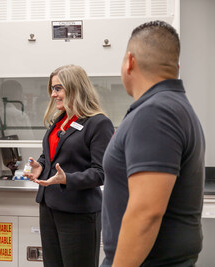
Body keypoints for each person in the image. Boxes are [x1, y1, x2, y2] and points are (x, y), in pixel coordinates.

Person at [101, 21, 205, 267]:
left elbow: (146, 214)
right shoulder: (174, 107)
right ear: (176, 67)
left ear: (130, 62)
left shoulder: (156, 113)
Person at [23, 64, 114, 267]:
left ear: (75, 88)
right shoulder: (60, 120)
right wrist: (41, 165)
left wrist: (68, 179)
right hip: (49, 207)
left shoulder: (98, 124)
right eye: (52, 89)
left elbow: (101, 173)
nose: (53, 94)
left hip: (78, 212)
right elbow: (52, 155)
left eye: (58, 88)